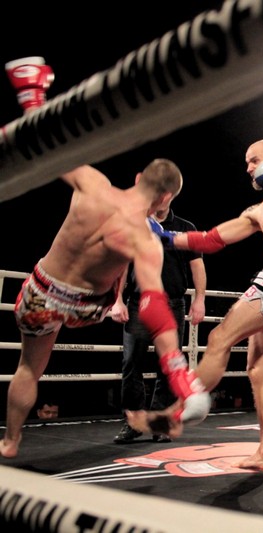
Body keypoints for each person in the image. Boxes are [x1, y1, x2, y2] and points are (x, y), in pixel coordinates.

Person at [127, 139, 263, 472]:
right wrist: (164, 236)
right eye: (246, 162)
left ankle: (175, 413)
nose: (248, 167)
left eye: (254, 160)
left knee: (220, 337)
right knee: (259, 369)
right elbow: (210, 240)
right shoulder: (257, 211)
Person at [0, 159, 209, 459]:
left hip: (41, 295)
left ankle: (10, 441)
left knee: (28, 369)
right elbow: (153, 306)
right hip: (86, 307)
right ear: (166, 197)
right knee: (125, 269)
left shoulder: (92, 184)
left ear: (138, 178)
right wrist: (179, 372)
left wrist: (23, 126)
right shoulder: (145, 240)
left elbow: (50, 155)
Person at [110, 202, 207, 444]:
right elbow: (122, 265)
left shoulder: (185, 227)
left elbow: (197, 265)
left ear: (171, 195)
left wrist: (200, 299)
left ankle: (159, 422)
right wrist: (117, 300)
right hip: (138, 302)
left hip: (173, 302)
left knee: (169, 366)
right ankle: (132, 422)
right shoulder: (137, 225)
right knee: (131, 362)